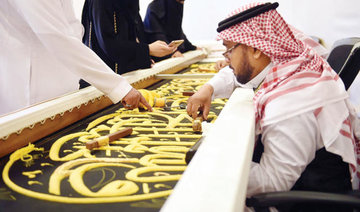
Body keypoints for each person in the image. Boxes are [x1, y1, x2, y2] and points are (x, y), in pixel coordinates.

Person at [187, 2, 360, 210]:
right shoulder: (289, 66)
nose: (226, 60)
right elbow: (239, 73)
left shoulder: (291, 102)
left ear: (255, 48)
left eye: (229, 51)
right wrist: (210, 88)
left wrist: (214, 162)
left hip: (303, 200)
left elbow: (273, 182)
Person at [0, 0, 152, 116]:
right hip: (32, 84)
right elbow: (56, 37)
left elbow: (71, 28)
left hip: (64, 77)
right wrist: (119, 88)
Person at [80, 0, 176, 88]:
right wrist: (148, 49)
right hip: (104, 81)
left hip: (124, 79)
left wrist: (144, 57)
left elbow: (133, 35)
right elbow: (109, 45)